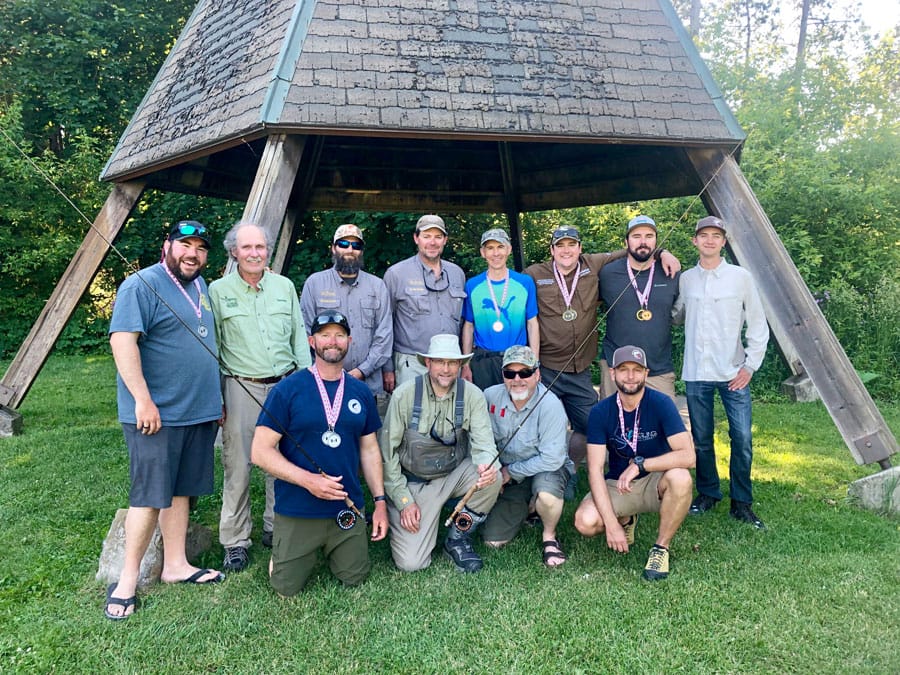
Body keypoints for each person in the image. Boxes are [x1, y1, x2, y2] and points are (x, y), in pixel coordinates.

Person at [105, 220, 224, 620]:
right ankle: (126, 580)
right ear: (167, 245)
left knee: (180, 491)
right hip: (158, 414)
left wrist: (215, 399)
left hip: (198, 412)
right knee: (150, 494)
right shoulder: (140, 284)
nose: (193, 253)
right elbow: (122, 341)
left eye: (201, 248)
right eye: (185, 244)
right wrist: (143, 400)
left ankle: (176, 565)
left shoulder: (199, 287)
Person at [250, 311, 388, 595]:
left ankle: (332, 547)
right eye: (325, 335)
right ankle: (285, 551)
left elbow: (370, 449)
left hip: (346, 507)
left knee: (355, 578)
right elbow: (260, 452)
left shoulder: (361, 392)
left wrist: (380, 502)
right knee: (285, 588)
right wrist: (308, 481)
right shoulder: (288, 390)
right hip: (299, 508)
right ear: (312, 341)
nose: (332, 341)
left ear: (349, 341)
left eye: (339, 335)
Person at [209, 222, 312, 572]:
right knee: (238, 464)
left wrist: (306, 385)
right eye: (247, 247)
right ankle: (235, 540)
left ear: (268, 250)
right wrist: (216, 396)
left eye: (260, 247)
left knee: (282, 461)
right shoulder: (218, 291)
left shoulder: (284, 287)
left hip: (285, 385)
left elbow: (300, 337)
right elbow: (214, 347)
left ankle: (274, 525)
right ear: (233, 252)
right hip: (241, 385)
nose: (254, 253)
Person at [673, 216, 770, 529]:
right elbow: (676, 315)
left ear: (724, 242)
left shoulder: (741, 278)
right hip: (696, 371)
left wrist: (750, 366)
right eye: (704, 236)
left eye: (716, 236)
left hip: (733, 371)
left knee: (741, 437)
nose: (710, 241)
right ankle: (708, 493)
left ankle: (741, 502)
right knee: (701, 438)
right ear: (695, 241)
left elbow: (757, 323)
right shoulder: (686, 279)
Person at [380, 334, 500, 573]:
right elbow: (387, 455)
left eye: (452, 363)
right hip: (413, 483)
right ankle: (411, 518)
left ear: (460, 365)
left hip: (453, 473)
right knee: (411, 563)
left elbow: (485, 443)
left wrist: (488, 466)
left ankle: (458, 537)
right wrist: (404, 501)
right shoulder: (404, 395)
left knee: (492, 478)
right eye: (440, 362)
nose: (446, 369)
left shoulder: (473, 395)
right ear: (428, 363)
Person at [574, 346, 694, 581]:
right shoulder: (601, 412)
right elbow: (595, 470)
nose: (630, 376)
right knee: (585, 522)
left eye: (637, 370)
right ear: (612, 373)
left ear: (646, 373)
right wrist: (611, 524)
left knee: (681, 478)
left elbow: (688, 456)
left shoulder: (661, 403)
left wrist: (641, 465)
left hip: (656, 480)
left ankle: (661, 548)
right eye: (624, 370)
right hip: (619, 483)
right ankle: (625, 519)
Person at [482, 346, 572, 567]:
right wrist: (494, 472)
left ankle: (549, 537)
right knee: (492, 541)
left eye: (525, 373)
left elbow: (552, 459)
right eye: (510, 373)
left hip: (546, 469)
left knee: (547, 496)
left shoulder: (550, 405)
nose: (517, 379)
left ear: (537, 374)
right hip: (511, 476)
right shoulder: (489, 396)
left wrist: (509, 473)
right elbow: (482, 440)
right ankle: (529, 508)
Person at [300, 224, 393, 396]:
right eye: (343, 244)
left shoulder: (377, 286)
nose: (350, 249)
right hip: (324, 383)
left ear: (362, 251)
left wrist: (361, 371)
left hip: (368, 385)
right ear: (333, 248)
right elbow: (306, 333)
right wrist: (328, 370)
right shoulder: (314, 284)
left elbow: (384, 335)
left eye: (356, 245)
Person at [599, 215, 681, 402]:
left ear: (656, 240)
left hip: (658, 368)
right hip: (616, 367)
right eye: (636, 236)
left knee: (664, 426)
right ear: (626, 241)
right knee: (613, 426)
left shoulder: (671, 272)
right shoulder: (608, 273)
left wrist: (663, 253)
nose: (643, 241)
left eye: (649, 236)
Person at [382, 214, 466, 390]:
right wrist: (387, 367)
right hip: (411, 363)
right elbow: (385, 323)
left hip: (449, 364)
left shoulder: (457, 273)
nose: (432, 242)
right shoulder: (396, 273)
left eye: (438, 237)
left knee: (448, 415)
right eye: (426, 236)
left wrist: (464, 363)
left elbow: (464, 322)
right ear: (416, 238)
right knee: (412, 414)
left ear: (445, 240)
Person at [461, 228, 539, 390]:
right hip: (484, 362)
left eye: (500, 247)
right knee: (486, 409)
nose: (496, 253)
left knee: (517, 408)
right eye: (490, 248)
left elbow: (532, 323)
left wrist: (534, 362)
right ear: (483, 253)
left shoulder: (525, 283)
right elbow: (468, 326)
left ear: (509, 249)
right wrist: (466, 365)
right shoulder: (472, 285)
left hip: (517, 361)